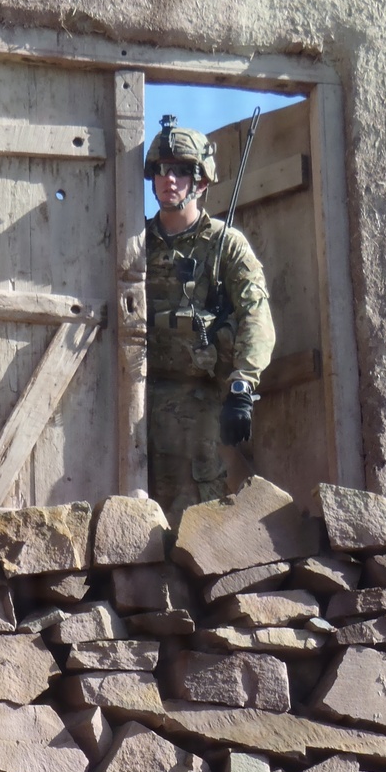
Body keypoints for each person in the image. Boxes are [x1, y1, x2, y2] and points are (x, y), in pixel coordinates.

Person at [144, 115, 276, 522]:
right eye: (162, 170)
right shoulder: (133, 241)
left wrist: (242, 385)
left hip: (200, 397)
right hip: (138, 395)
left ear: (201, 182)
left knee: (197, 515)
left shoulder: (225, 244)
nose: (170, 180)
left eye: (182, 171)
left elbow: (256, 315)